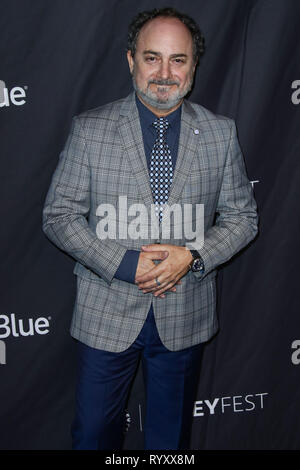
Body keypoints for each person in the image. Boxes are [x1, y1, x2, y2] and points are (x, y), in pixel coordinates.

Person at [42, 7, 258, 450]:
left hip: (185, 316)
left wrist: (192, 256)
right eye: (152, 57)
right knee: (93, 438)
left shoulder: (221, 134)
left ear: (194, 66)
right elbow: (58, 215)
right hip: (106, 315)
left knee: (169, 442)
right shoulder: (91, 130)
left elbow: (243, 218)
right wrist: (125, 264)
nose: (164, 72)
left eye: (178, 59)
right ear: (130, 61)